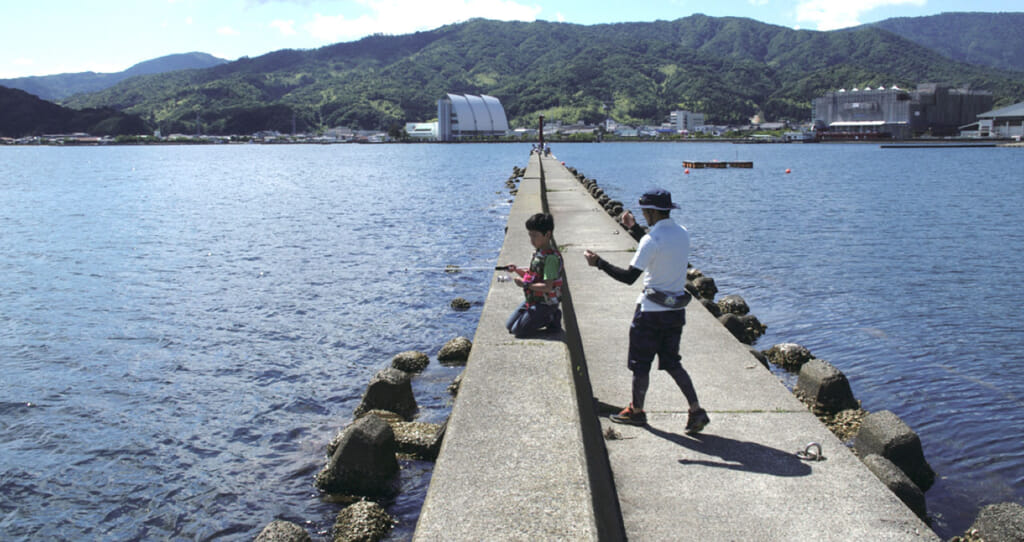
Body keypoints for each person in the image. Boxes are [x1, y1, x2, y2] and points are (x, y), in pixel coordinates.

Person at [584, 188, 710, 434]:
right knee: (673, 363)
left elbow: (629, 277)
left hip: (650, 313)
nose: (643, 216)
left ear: (652, 211)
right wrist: (633, 229)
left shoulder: (651, 240)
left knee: (640, 365)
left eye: (644, 212)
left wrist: (598, 263)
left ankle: (637, 411)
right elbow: (656, 247)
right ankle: (696, 410)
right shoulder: (682, 234)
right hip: (675, 312)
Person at [504, 213, 564, 338]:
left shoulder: (551, 258)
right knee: (509, 326)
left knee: (517, 331)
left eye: (535, 236)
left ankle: (552, 316)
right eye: (530, 235)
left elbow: (547, 287)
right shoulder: (539, 252)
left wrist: (525, 284)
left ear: (547, 234)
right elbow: (531, 275)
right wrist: (516, 270)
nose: (531, 240)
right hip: (534, 300)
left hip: (546, 304)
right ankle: (542, 316)